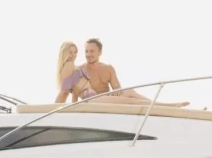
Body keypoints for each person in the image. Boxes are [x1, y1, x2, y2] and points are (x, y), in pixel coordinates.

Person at [54, 40, 189, 108]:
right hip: (93, 100)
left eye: (75, 52)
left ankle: (164, 105)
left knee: (130, 92)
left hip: (97, 98)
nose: (73, 55)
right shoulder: (72, 67)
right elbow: (64, 91)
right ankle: (167, 107)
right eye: (70, 52)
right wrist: (55, 109)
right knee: (130, 101)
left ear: (100, 52)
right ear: (64, 53)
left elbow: (74, 90)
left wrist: (74, 106)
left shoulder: (76, 67)